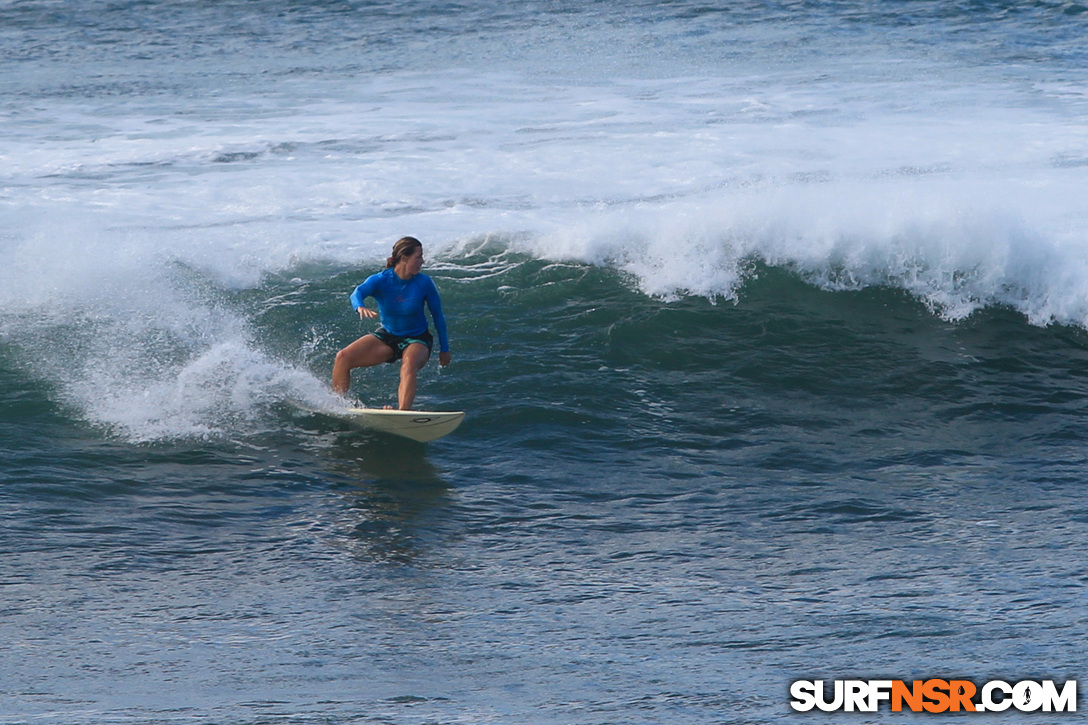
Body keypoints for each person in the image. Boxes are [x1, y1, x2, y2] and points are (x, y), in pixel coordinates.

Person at [332, 236, 451, 410]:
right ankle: (337, 405)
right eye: (418, 256)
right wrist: (359, 307)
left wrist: (445, 349)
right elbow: (357, 293)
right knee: (343, 357)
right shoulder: (381, 279)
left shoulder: (424, 283)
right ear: (404, 258)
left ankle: (402, 413)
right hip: (388, 336)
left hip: (417, 338)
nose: (422, 261)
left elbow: (438, 316)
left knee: (408, 364)